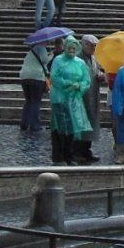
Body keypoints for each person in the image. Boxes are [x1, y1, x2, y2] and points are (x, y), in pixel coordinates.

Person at [48, 34, 92, 166]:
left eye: (74, 49)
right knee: (61, 128)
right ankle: (59, 155)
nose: (71, 51)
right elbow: (54, 77)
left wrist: (79, 86)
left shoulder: (80, 63)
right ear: (65, 48)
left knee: (74, 127)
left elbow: (86, 80)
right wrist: (67, 84)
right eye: (69, 48)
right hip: (60, 99)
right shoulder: (58, 60)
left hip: (75, 100)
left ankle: (70, 154)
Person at [18, 40, 52, 136]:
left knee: (28, 101)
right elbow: (45, 60)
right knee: (36, 101)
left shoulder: (31, 51)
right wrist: (51, 55)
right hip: (36, 77)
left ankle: (24, 124)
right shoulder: (41, 48)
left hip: (24, 77)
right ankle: (35, 125)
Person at [78, 35, 102, 164]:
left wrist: (100, 77)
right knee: (81, 124)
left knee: (91, 123)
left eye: (94, 46)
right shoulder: (78, 59)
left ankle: (87, 150)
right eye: (91, 45)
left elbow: (96, 72)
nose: (93, 48)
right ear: (84, 45)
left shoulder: (93, 59)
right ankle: (78, 151)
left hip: (92, 96)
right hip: (82, 97)